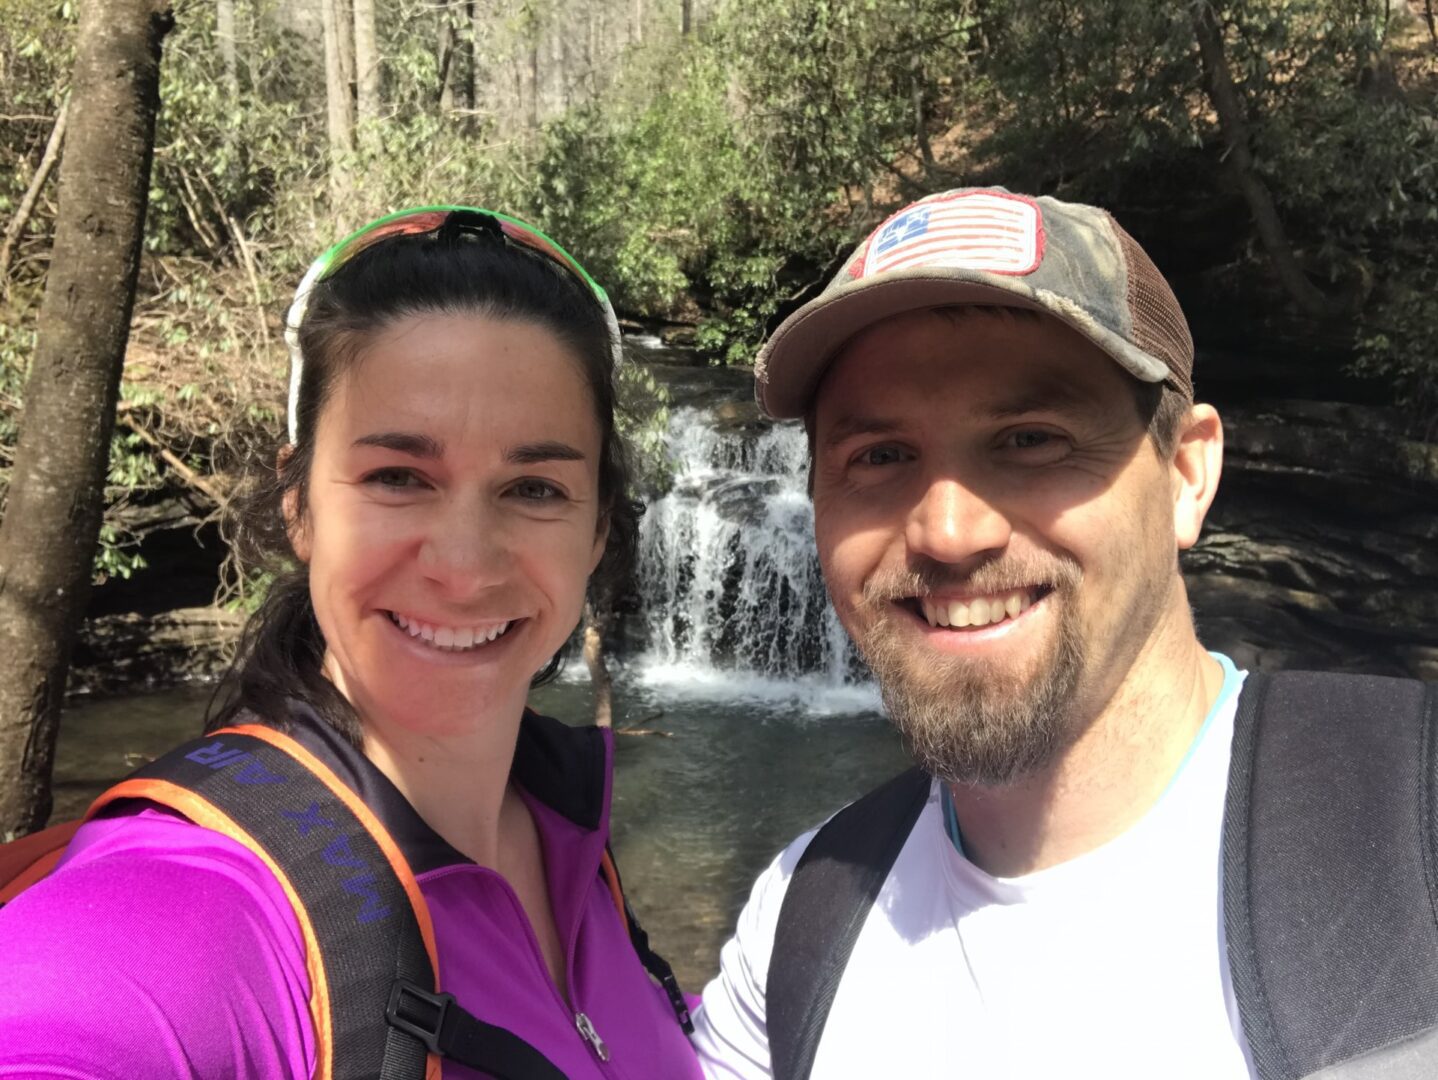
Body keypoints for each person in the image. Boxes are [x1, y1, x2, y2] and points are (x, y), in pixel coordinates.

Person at [690, 188, 1438, 1079]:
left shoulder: (1413, 827)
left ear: (1187, 474)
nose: (949, 533)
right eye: (880, 457)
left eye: (1030, 439)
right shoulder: (795, 929)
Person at [0, 206, 702, 1079]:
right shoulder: (199, 910)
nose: (463, 566)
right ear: (298, 503)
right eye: (398, 477)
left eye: (534, 487)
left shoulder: (568, 833)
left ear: (598, 529)